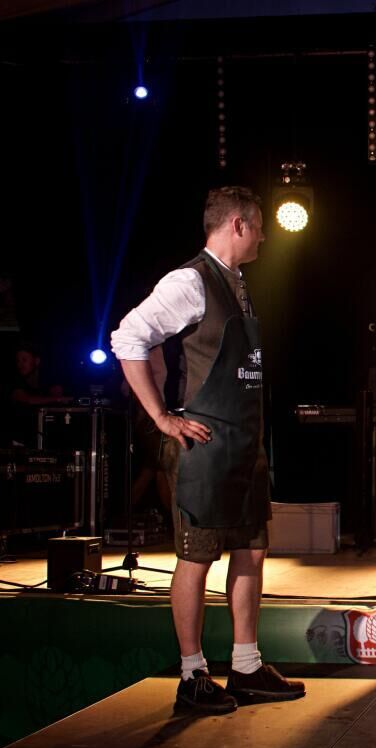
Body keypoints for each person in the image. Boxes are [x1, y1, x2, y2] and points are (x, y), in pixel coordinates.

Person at [111, 186, 304, 714]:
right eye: (259, 226)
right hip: (205, 447)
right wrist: (161, 417)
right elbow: (128, 338)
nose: (263, 237)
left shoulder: (236, 283)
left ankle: (246, 667)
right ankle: (192, 675)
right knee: (196, 558)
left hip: (244, 444)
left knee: (252, 551)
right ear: (238, 225)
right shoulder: (190, 281)